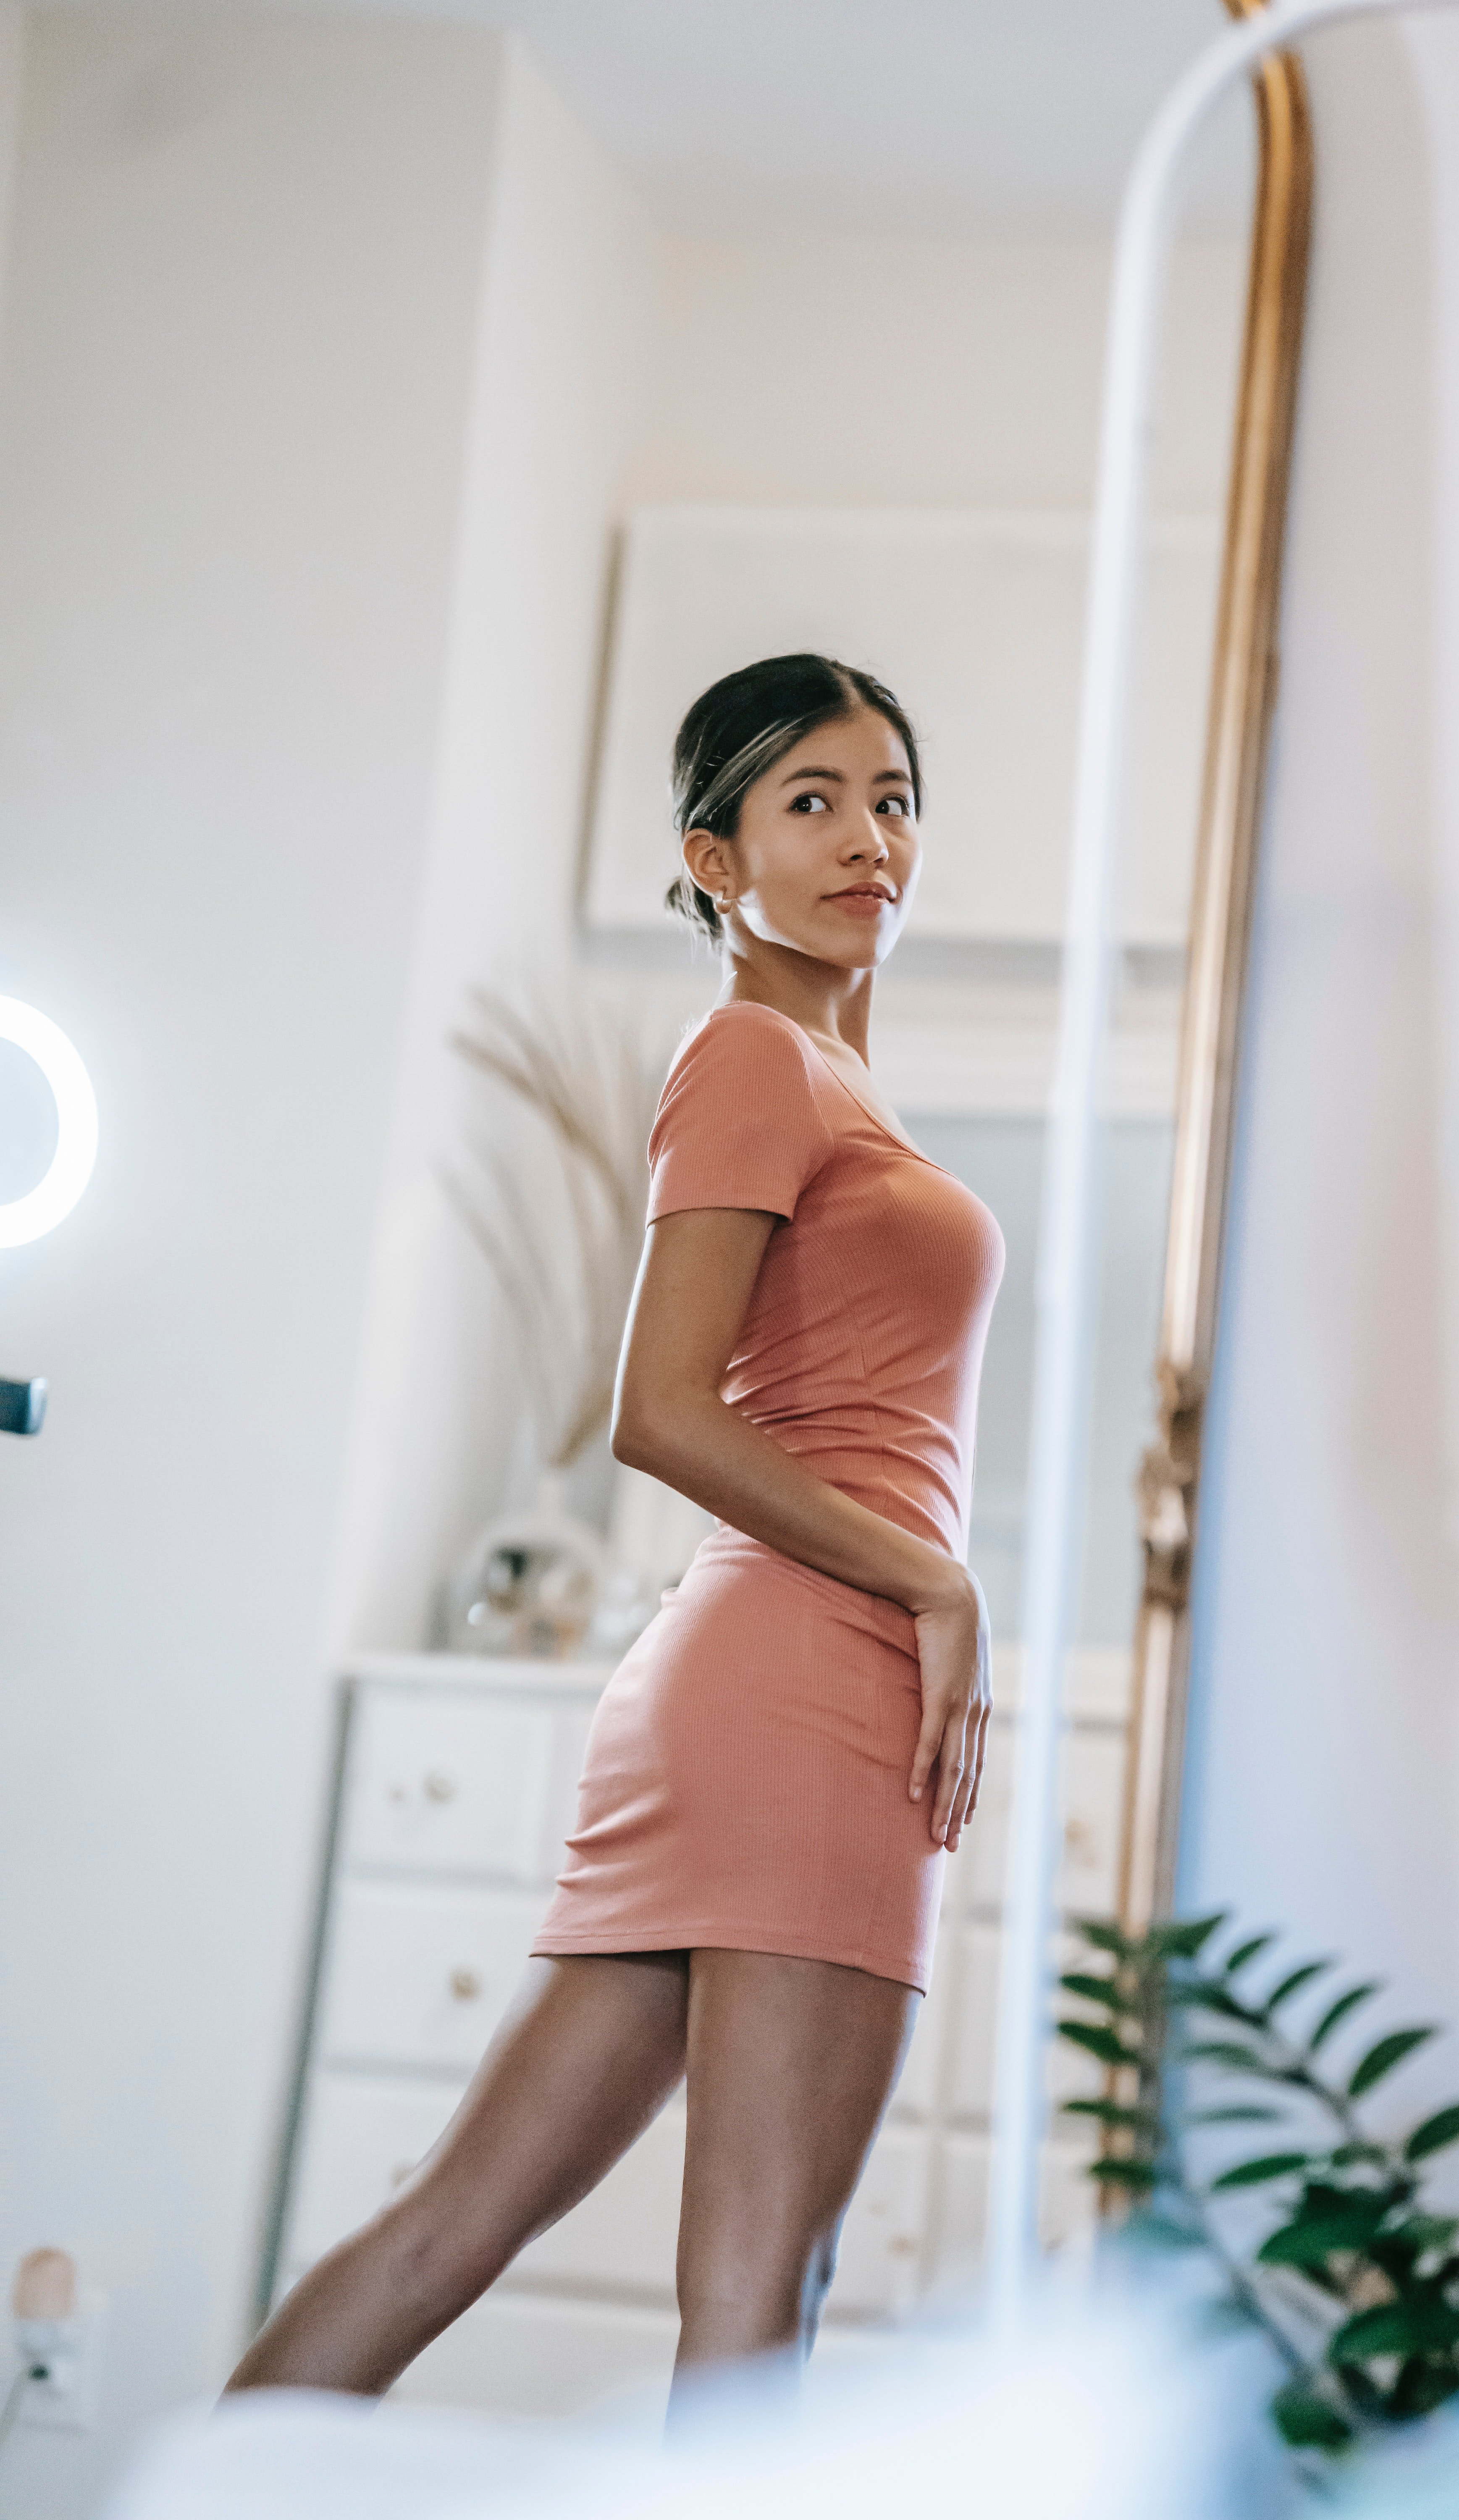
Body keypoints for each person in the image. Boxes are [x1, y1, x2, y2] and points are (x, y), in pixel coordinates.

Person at [226, 653, 1005, 2402]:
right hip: (811, 1682)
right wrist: (932, 1580)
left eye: (891, 800)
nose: (867, 837)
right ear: (713, 859)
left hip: (750, 1684)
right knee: (755, 2307)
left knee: (451, 2228)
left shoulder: (825, 1078)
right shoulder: (752, 1056)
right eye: (810, 801)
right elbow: (659, 1410)